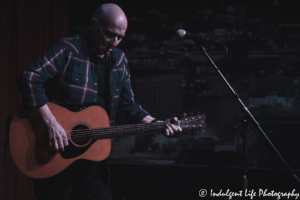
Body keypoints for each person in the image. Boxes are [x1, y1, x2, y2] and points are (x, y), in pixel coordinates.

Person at [17, 3, 182, 200]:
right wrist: (51, 123)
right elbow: (29, 77)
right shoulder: (68, 49)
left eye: (120, 37)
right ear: (93, 24)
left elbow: (127, 105)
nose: (114, 42)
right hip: (54, 154)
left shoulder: (119, 60)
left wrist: (157, 124)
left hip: (92, 160)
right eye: (109, 34)